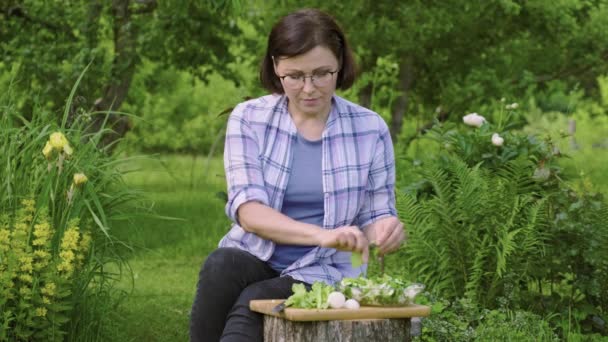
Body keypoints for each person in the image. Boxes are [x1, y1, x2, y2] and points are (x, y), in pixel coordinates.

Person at [189, 8, 406, 342]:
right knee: (220, 266)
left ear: (340, 65)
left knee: (253, 303)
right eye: (294, 76)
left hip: (325, 268)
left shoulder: (369, 128)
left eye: (322, 73)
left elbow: (377, 216)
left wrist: (387, 230)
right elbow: (249, 212)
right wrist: (322, 233)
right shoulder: (249, 118)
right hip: (256, 252)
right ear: (276, 67)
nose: (309, 88)